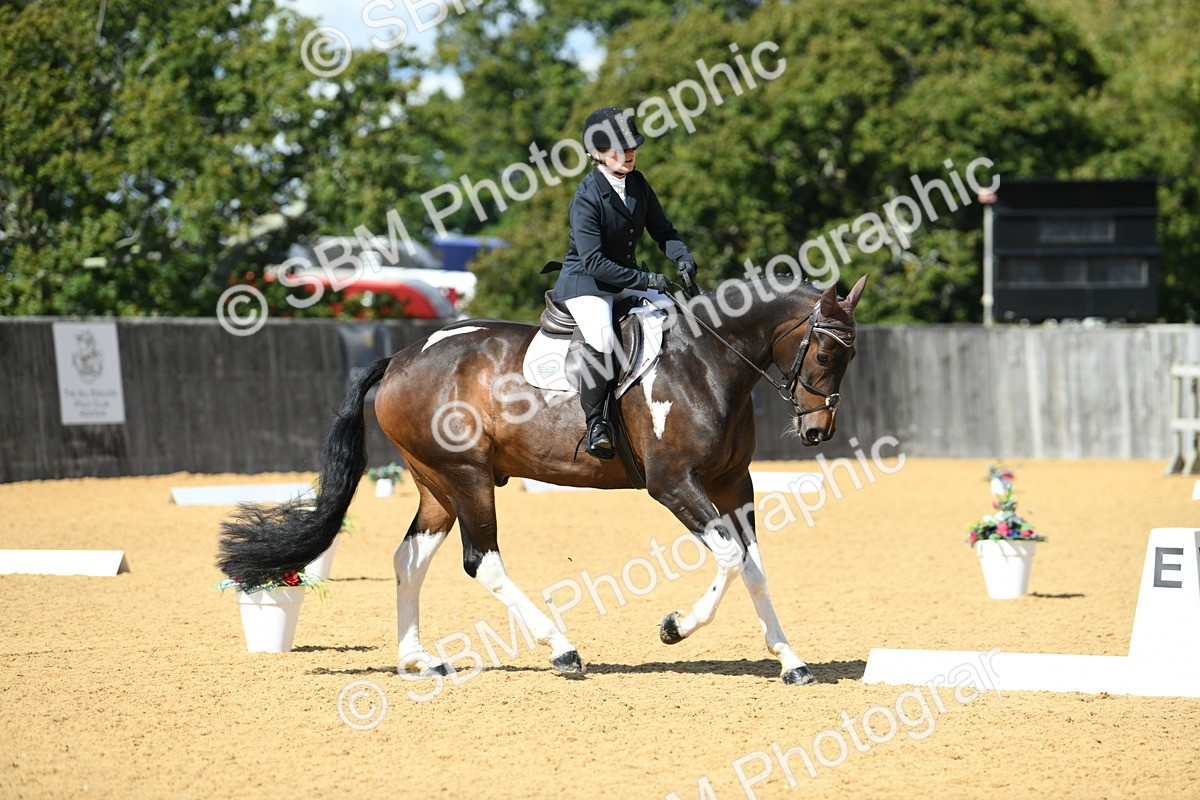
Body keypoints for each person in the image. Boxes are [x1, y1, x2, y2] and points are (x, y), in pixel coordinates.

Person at [552, 106, 697, 460]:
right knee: (601, 337)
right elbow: (595, 262)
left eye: (632, 146)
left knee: (678, 316)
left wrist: (682, 257)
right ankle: (597, 423)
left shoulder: (637, 182)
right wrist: (646, 279)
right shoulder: (586, 197)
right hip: (587, 283)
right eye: (619, 149)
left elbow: (664, 231)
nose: (629, 154)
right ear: (597, 155)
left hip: (625, 278)